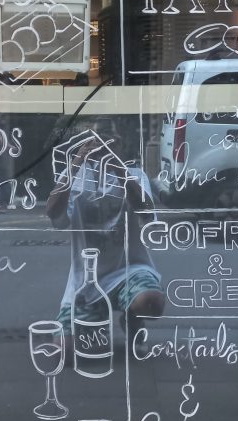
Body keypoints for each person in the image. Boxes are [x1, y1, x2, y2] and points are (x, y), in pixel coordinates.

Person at [46, 129, 165, 342]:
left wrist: (117, 166)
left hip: (130, 271)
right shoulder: (75, 177)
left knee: (151, 302)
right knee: (63, 350)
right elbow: (53, 212)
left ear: (120, 145)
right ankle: (94, 318)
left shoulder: (134, 174)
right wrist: (77, 161)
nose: (102, 147)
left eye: (110, 140)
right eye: (96, 141)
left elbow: (146, 211)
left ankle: (133, 318)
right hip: (86, 282)